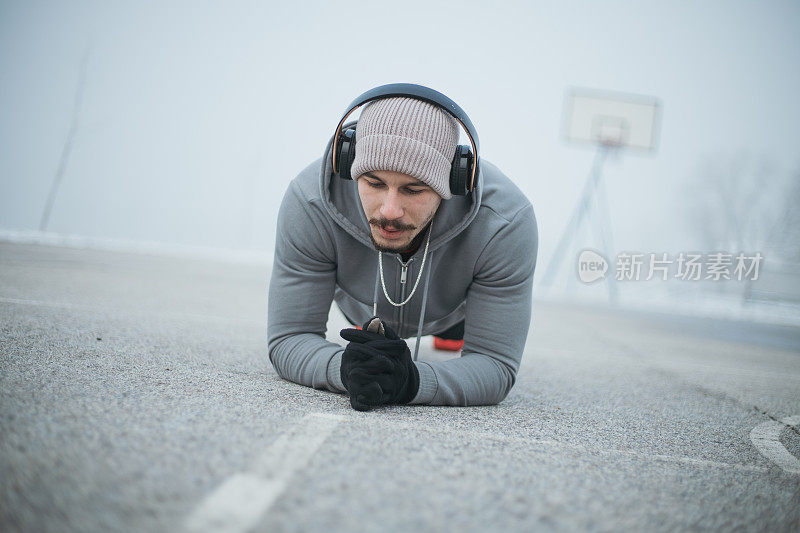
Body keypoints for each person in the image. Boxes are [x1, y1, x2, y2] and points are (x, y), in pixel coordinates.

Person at [267, 84, 538, 409]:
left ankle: (452, 329)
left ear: (453, 181)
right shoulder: (311, 201)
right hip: (360, 302)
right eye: (374, 183)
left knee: (458, 336)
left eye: (414, 189)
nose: (389, 211)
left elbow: (495, 365)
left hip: (450, 308)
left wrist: (410, 381)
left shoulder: (506, 222)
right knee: (373, 339)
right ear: (349, 166)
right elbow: (288, 338)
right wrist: (348, 369)